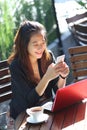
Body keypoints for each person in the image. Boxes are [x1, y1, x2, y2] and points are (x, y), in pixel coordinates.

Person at [7, 20, 69, 125]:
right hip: (23, 116)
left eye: (43, 42)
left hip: (45, 111)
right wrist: (46, 78)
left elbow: (57, 90)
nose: (41, 48)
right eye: (35, 44)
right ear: (24, 45)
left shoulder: (47, 56)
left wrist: (63, 76)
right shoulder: (16, 66)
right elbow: (29, 102)